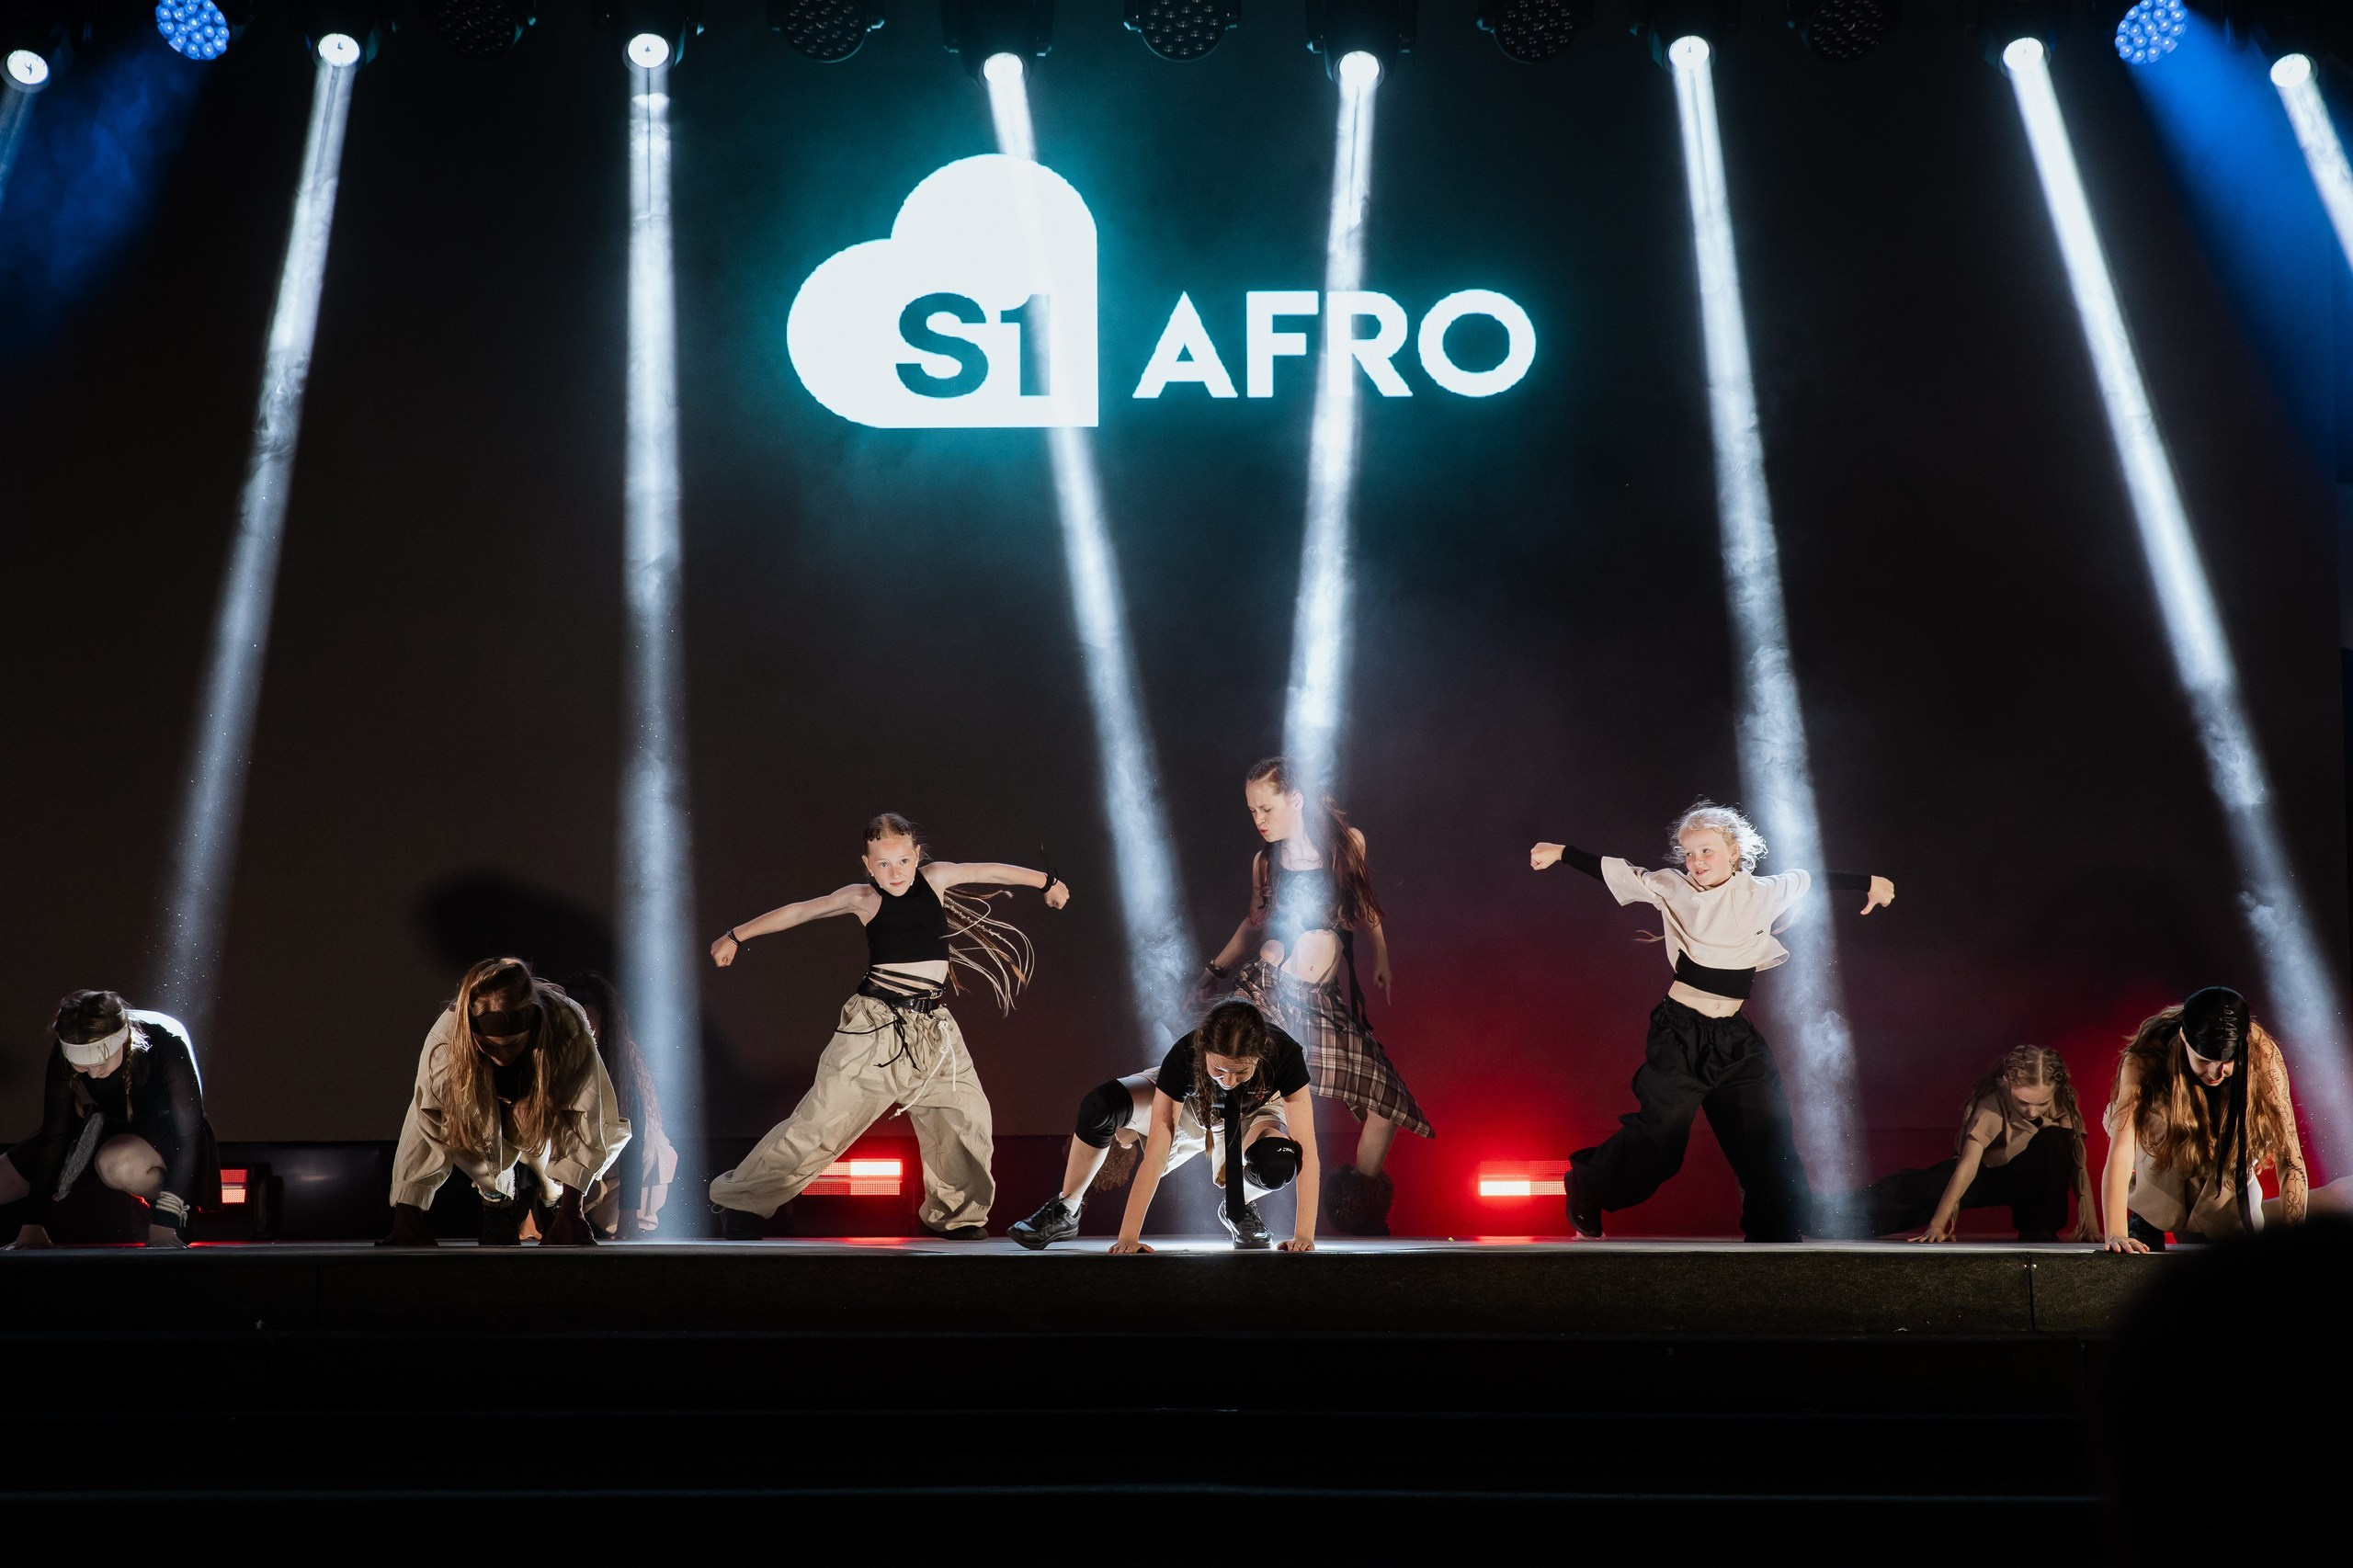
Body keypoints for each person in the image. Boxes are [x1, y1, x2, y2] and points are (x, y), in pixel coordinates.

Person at [1532, 800, 1893, 1242]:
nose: (1696, 862)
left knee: (1766, 1136)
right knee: (1662, 1142)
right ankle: (1589, 1181)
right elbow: (1620, 871)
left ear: (1734, 852)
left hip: (1736, 1040)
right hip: (1679, 1033)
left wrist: (1870, 882)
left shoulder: (1764, 891)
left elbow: (1815, 879)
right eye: (1689, 854)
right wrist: (1562, 851)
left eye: (1706, 851)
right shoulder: (1672, 887)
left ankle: (1774, 1233)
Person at [707, 812, 1067, 1240]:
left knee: (966, 1120)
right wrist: (734, 935)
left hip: (934, 1031)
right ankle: (741, 1203)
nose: (894, 873)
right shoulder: (862, 898)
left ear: (917, 856)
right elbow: (801, 911)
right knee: (823, 1123)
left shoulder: (935, 878)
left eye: (902, 861)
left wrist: (1048, 883)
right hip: (874, 1030)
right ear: (867, 863)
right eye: (882, 864)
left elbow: (990, 870)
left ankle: (954, 1215)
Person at [1199, 756, 1427, 1236]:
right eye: (1253, 812)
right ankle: (1241, 1202)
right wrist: (1214, 971)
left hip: (1321, 1002)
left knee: (1387, 1105)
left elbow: (1364, 902)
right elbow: (1251, 925)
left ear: (1295, 799)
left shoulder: (1347, 843)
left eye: (1266, 808)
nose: (1259, 820)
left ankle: (1357, 1206)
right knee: (1252, 1098)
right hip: (1270, 993)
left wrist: (1381, 956)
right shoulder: (1266, 862)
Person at [1010, 999, 1320, 1251]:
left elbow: (1307, 1147)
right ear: (1205, 1050)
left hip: (1254, 1114)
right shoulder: (1186, 1055)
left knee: (1280, 1159)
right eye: (1220, 1069)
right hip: (1191, 1108)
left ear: (1261, 1053)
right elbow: (1158, 1151)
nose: (1228, 1081)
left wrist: (1304, 1235)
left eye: (1241, 1073)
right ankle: (1067, 1208)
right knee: (1101, 1104)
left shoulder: (1285, 1054)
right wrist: (1128, 1237)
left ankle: (1240, 1205)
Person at [381, 957, 630, 1246]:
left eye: (512, 1045)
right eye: (487, 1046)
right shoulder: (446, 1043)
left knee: (561, 1153)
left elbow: (588, 1115)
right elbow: (427, 1125)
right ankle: (497, 1200)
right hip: (481, 1123)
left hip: (544, 1114)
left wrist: (572, 1210)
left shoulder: (566, 1025)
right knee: (435, 1109)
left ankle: (556, 1201)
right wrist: (408, 1213)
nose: (501, 1057)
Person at [2098, 986, 2331, 1252]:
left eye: (2226, 1062)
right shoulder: (2146, 1057)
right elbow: (2121, 1148)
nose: (2215, 1072)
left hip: (2226, 1185)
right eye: (2204, 1060)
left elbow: (2289, 1160)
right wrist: (2115, 1232)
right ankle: (2148, 1217)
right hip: (2162, 1170)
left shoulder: (2263, 1057)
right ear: (2184, 1039)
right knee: (2156, 1123)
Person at [1, 991, 215, 1249]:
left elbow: (188, 1135)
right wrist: (31, 1226)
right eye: (83, 1066)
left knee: (117, 1163)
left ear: (122, 1039)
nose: (94, 1073)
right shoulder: (65, 1052)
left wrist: (165, 1222)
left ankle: (176, 1205)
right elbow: (55, 1135)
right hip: (106, 1122)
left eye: (100, 1062)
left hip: (165, 1132)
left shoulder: (164, 1045)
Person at [1853, 1044, 2097, 1242]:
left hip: (2030, 1179)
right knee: (1913, 1190)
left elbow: (2077, 1165)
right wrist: (1938, 1226)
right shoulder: (1992, 1103)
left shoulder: (2063, 1101)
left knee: (2056, 1141)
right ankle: (1838, 1216)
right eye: (2023, 1103)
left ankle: (2039, 1230)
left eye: (2041, 1104)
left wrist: (2091, 1226)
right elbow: (1967, 1167)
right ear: (2007, 1084)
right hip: (1986, 1174)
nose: (2032, 1112)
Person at [565, 971, 677, 1239]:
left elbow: (636, 1140)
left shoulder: (623, 1062)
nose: (584, 1037)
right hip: (572, 1174)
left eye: (590, 1028)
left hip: (616, 1176)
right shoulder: (552, 1058)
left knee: (651, 1139)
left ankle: (620, 1214)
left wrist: (629, 1214)